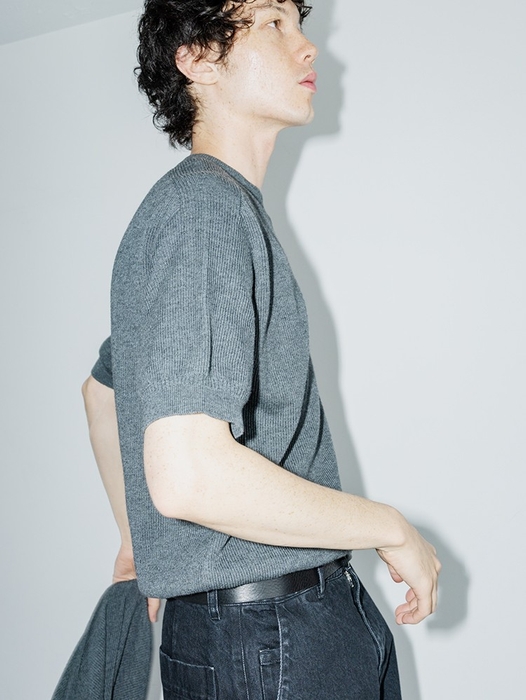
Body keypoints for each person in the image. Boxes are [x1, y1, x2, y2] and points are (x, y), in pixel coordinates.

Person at [82, 1, 441, 698]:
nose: (308, 48)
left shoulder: (209, 210)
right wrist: (390, 527)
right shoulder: (203, 210)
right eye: (274, 23)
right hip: (272, 636)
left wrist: (141, 545)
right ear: (197, 58)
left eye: (298, 25)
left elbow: (102, 393)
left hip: (266, 631)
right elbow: (188, 475)